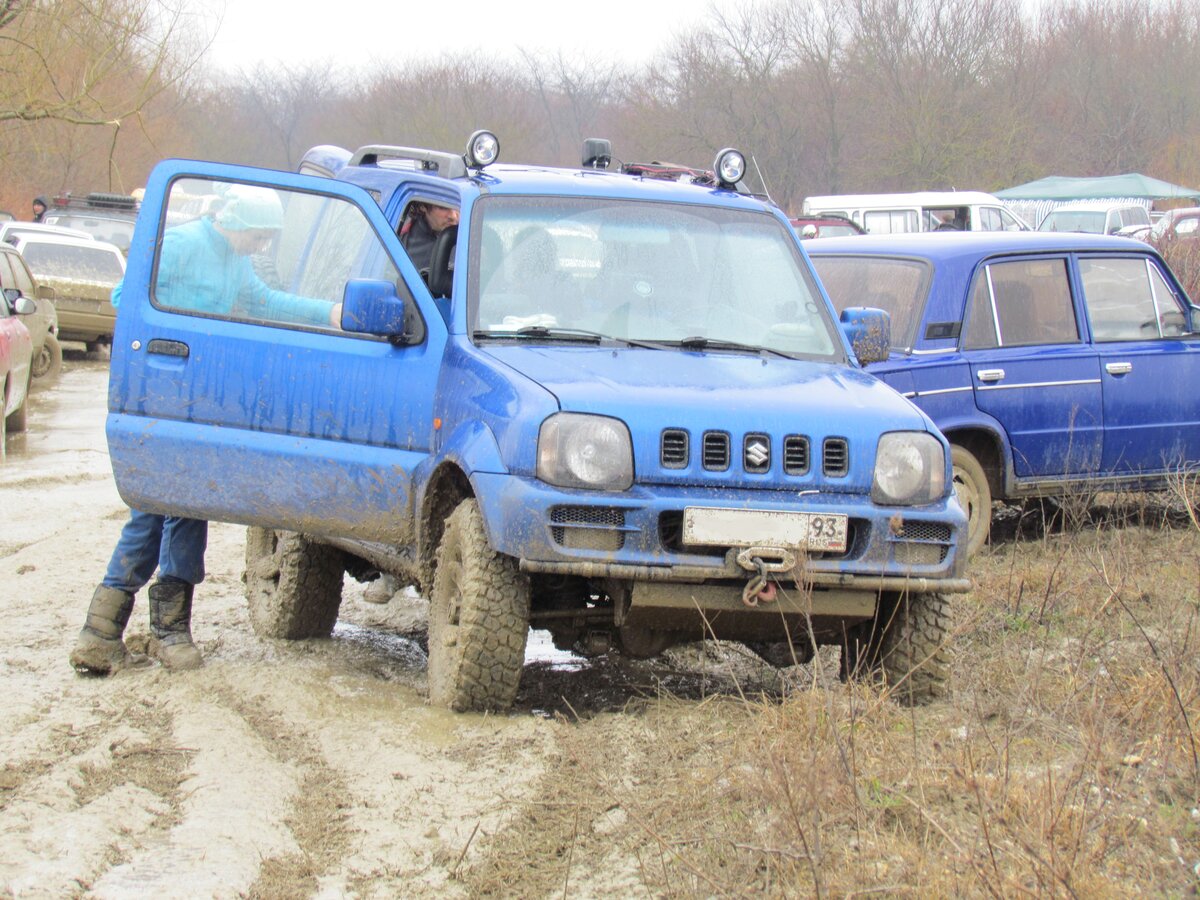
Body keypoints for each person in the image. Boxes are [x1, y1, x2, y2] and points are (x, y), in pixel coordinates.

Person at [70, 185, 338, 673]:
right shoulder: (181, 245)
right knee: (163, 508)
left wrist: (326, 315)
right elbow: (123, 296)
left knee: (173, 508)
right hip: (163, 392)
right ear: (236, 223)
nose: (260, 246)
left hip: (198, 396)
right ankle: (155, 632)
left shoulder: (235, 261)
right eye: (258, 236)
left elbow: (264, 302)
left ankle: (114, 631)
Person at [399, 200, 459, 276]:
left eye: (458, 205)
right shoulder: (402, 242)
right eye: (443, 207)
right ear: (422, 206)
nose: (453, 216)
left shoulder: (473, 236)